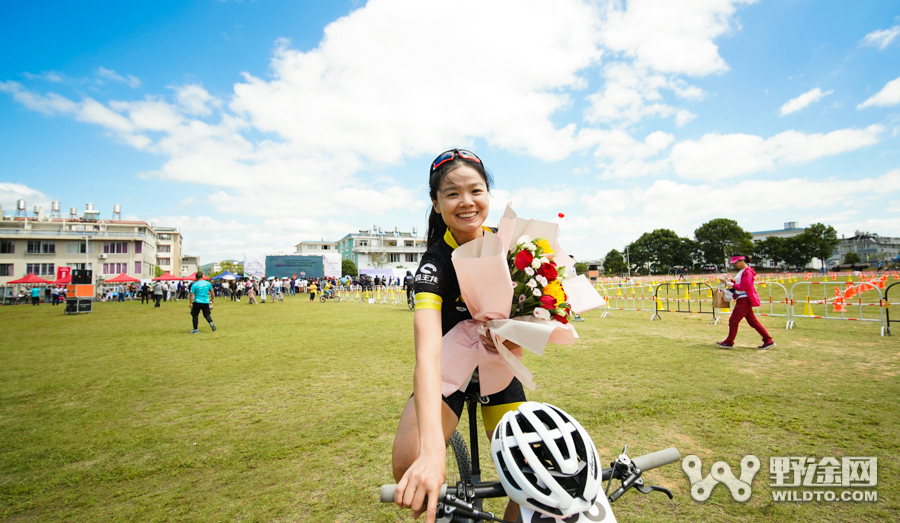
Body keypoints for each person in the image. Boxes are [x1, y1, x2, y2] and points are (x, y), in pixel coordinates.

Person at [391, 149, 524, 522]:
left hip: (496, 370)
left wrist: (513, 339)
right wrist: (432, 452)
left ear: (487, 195)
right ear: (436, 203)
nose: (466, 202)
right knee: (407, 465)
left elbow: (534, 320)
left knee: (533, 476)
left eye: (475, 190)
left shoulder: (512, 249)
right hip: (449, 371)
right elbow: (427, 357)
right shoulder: (434, 264)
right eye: (451, 193)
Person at [717, 254, 776, 350]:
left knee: (733, 320)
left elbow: (744, 287)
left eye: (736, 262)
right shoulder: (743, 271)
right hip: (743, 298)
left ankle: (729, 342)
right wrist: (730, 281)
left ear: (741, 260)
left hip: (744, 299)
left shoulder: (747, 272)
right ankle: (768, 340)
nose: (735, 264)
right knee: (753, 322)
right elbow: (740, 284)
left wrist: (728, 283)